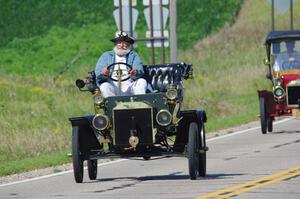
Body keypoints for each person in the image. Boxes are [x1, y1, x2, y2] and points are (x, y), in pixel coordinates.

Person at [95, 31, 147, 97]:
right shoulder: (106, 55)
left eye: (124, 43)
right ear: (115, 44)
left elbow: (139, 69)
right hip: (112, 85)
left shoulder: (133, 55)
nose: (121, 45)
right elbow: (98, 72)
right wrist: (104, 73)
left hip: (129, 85)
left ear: (128, 44)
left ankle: (141, 104)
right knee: (104, 86)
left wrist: (135, 72)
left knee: (142, 81)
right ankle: (111, 105)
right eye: (119, 42)